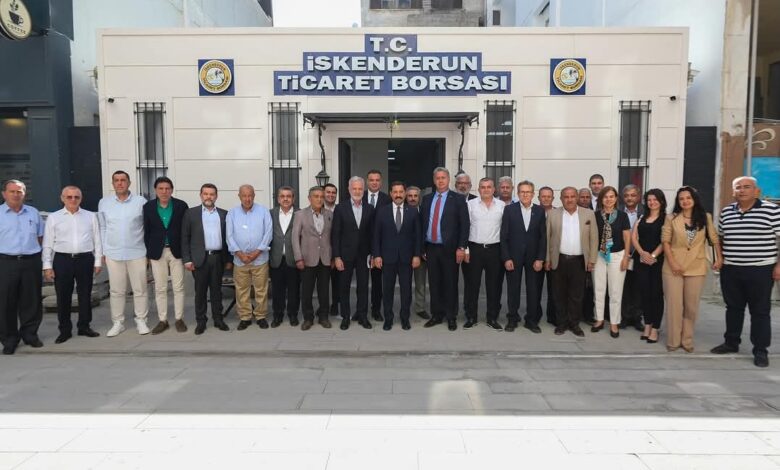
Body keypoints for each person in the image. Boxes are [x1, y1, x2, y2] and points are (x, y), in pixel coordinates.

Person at [711, 176, 780, 368]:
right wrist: (720, 259)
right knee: (733, 308)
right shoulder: (726, 212)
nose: (742, 190)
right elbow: (721, 239)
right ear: (733, 191)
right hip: (731, 268)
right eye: (738, 187)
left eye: (747, 187)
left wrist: (778, 265)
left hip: (760, 269)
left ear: (756, 191)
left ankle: (760, 350)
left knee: (760, 311)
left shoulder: (772, 210)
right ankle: (731, 342)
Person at [661, 186, 721, 353]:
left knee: (691, 307)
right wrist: (672, 262)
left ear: (694, 199)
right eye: (681, 199)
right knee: (674, 306)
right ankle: (673, 341)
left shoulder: (705, 217)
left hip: (696, 266)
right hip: (673, 267)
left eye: (688, 198)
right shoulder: (671, 218)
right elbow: (665, 241)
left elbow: (714, 239)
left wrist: (719, 258)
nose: (685, 201)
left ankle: (687, 340)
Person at [43, 185, 102, 344]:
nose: (73, 200)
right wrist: (47, 266)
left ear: (81, 199)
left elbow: (97, 239)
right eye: (69, 197)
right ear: (62, 198)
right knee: (63, 296)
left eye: (76, 197)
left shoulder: (90, 216)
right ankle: (65, 330)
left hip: (85, 259)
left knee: (85, 294)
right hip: (62, 260)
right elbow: (47, 243)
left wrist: (97, 261)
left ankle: (84, 326)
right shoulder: (54, 217)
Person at [98, 170, 149, 337]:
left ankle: (141, 319)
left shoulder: (140, 202)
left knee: (140, 289)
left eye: (123, 180)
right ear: (113, 183)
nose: (120, 183)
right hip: (113, 253)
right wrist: (104, 251)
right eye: (116, 180)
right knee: (116, 290)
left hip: (137, 252)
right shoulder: (104, 203)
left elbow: (146, 227)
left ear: (129, 183)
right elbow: (103, 227)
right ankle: (118, 322)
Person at [545, 187, 598, 337]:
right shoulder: (553, 214)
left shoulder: (588, 214)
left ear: (577, 197)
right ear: (561, 199)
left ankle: (574, 323)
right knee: (559, 294)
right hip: (559, 259)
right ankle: (561, 323)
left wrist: (592, 260)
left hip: (579, 261)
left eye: (572, 196)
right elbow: (547, 238)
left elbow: (594, 238)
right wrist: (547, 259)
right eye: (566, 197)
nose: (569, 199)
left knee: (577, 295)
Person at [421, 167, 469, 331]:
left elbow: (464, 225)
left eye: (443, 178)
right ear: (434, 180)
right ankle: (436, 314)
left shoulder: (458, 199)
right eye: (437, 178)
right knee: (434, 283)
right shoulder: (427, 199)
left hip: (450, 248)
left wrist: (461, 247)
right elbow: (423, 223)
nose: (440, 181)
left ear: (448, 180)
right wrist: (422, 247)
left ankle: (451, 316)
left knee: (450, 283)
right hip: (431, 248)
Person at [0, 179, 44, 354]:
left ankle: (30, 334)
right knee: (6, 302)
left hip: (31, 261)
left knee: (31, 300)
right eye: (12, 191)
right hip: (5, 262)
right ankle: (9, 339)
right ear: (4, 194)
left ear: (24, 194)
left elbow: (40, 237)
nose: (16, 195)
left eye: (19, 191)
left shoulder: (33, 213)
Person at [181, 183, 231, 335]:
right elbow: (185, 238)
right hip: (199, 259)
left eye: (212, 194)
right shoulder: (191, 213)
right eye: (206, 194)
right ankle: (201, 321)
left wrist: (228, 259)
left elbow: (228, 238)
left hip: (217, 258)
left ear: (216, 196)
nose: (209, 197)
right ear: (201, 195)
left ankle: (218, 319)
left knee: (217, 291)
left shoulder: (224, 214)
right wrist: (187, 259)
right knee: (200, 292)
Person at [373, 181, 421, 330]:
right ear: (391, 193)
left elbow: (417, 236)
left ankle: (405, 318)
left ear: (405, 193)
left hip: (407, 258)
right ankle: (388, 318)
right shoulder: (382, 211)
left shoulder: (413, 211)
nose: (398, 195)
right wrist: (377, 255)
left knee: (406, 290)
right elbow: (376, 235)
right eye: (395, 192)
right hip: (387, 258)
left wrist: (417, 255)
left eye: (401, 192)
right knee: (387, 290)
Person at [143, 176, 189, 334]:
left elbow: (186, 230)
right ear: (155, 190)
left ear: (172, 190)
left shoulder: (181, 206)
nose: (164, 191)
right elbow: (146, 231)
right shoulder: (148, 207)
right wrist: (148, 254)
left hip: (176, 251)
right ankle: (163, 320)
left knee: (178, 287)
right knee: (160, 288)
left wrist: (187, 252)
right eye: (161, 189)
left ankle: (179, 319)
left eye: (167, 188)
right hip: (157, 252)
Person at [501, 180, 547, 333]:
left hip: (533, 258)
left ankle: (531, 320)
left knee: (533, 289)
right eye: (522, 192)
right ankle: (512, 319)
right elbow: (504, 236)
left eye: (528, 192)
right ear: (518, 193)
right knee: (513, 289)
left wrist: (540, 258)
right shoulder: (509, 210)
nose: (525, 194)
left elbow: (543, 237)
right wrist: (506, 258)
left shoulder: (540, 211)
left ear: (533, 194)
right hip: (513, 257)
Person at [227, 184, 273, 331]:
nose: (247, 199)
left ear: (254, 196)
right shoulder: (232, 213)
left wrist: (256, 253)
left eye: (250, 195)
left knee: (261, 289)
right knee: (242, 290)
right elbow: (229, 236)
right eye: (244, 196)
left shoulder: (263, 212)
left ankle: (260, 316)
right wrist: (240, 254)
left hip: (260, 259)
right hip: (240, 260)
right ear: (239, 196)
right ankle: (245, 317)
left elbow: (268, 234)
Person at [332, 176, 374, 330]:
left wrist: (373, 254)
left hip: (364, 255)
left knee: (363, 287)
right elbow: (335, 234)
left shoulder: (370, 208)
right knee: (344, 287)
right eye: (354, 188)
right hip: (345, 255)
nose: (357, 191)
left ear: (363, 190)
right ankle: (345, 317)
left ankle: (362, 316)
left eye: (360, 188)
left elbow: (372, 233)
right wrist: (337, 256)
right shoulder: (340, 208)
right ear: (349, 190)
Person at [464, 177, 504, 330]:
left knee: (494, 286)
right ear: (478, 189)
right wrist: (466, 249)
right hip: (474, 249)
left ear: (494, 189)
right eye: (483, 187)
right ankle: (471, 317)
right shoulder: (470, 205)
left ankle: (492, 318)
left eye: (489, 187)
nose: (486, 189)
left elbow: (505, 230)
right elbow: (465, 227)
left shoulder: (502, 206)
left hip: (495, 250)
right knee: (472, 285)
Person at [591, 186, 631, 338]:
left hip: (617, 256)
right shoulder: (595, 216)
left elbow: (627, 238)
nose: (608, 199)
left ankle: (614, 322)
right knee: (599, 289)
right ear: (601, 199)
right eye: (605, 197)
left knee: (615, 292)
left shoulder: (622, 216)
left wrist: (626, 257)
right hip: (599, 256)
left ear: (616, 198)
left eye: (611, 196)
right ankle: (599, 319)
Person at [292, 186, 333, 330]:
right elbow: (295, 238)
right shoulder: (300, 215)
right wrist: (298, 258)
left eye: (321, 196)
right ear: (309, 198)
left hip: (325, 259)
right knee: (307, 291)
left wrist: (333, 257)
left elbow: (332, 237)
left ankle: (323, 317)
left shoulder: (329, 214)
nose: (319, 199)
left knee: (324, 291)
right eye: (316, 196)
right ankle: (308, 318)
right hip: (307, 259)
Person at [631, 188, 667, 344]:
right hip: (641, 261)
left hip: (657, 262)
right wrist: (642, 253)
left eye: (655, 200)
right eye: (649, 200)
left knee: (656, 295)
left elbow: (665, 240)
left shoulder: (666, 219)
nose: (652, 202)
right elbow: (634, 237)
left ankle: (655, 328)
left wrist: (652, 256)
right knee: (644, 294)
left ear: (661, 201)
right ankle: (647, 324)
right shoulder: (642, 217)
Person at [269, 186, 300, 327]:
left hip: (293, 258)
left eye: (289, 196)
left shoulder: (300, 214)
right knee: (277, 290)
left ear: (293, 198)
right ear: (278, 199)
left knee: (294, 289)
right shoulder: (270, 214)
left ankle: (293, 315)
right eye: (282, 196)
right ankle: (278, 315)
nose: (285, 199)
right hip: (276, 258)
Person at [363, 169, 391, 322]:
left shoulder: (387, 199)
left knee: (377, 281)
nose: (374, 183)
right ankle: (361, 310)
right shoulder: (359, 196)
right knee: (361, 280)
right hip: (361, 246)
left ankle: (376, 310)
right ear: (367, 181)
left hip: (380, 246)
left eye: (377, 180)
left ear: (381, 182)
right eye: (371, 180)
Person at [620, 184, 645, 331]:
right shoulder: (617, 211)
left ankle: (637, 318)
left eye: (633, 195)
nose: (629, 198)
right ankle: (624, 317)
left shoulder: (645, 211)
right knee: (623, 287)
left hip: (639, 254)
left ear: (638, 196)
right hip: (622, 254)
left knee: (638, 287)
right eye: (627, 195)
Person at [406, 186, 430, 320]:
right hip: (404, 253)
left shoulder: (425, 211)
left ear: (419, 197)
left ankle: (420, 308)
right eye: (410, 196)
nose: (413, 198)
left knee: (420, 282)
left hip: (421, 253)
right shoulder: (400, 210)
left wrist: (423, 250)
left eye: (415, 196)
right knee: (405, 282)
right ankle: (405, 306)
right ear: (406, 197)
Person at [536, 186, 556, 326]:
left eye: (549, 196)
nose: (546, 198)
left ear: (553, 198)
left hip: (553, 256)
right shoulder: (533, 212)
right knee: (535, 288)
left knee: (554, 288)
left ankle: (552, 316)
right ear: (538, 198)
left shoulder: (558, 213)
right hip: (537, 255)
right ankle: (535, 315)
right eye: (543, 196)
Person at [323, 182, 340, 316]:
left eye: (333, 193)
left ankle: (335, 305)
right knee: (322, 283)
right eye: (328, 192)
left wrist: (335, 256)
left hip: (337, 252)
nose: (331, 195)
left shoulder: (341, 209)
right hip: (321, 253)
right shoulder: (317, 208)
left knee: (337, 282)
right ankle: (323, 306)